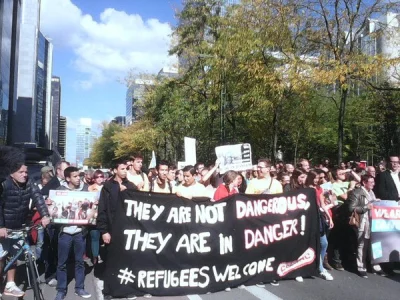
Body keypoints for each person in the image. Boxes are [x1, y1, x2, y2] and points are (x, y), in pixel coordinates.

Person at [0, 148, 51, 298]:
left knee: (14, 257)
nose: (25, 175)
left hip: (19, 226)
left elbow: (38, 198)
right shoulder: (4, 184)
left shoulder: (30, 183)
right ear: (11, 173)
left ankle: (10, 284)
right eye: (21, 172)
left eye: (26, 172)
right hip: (3, 228)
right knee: (1, 258)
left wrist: (45, 215)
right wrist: (1, 226)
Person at [96, 159, 137, 300]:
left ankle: (125, 289)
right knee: (111, 261)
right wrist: (104, 231)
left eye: (126, 168)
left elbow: (137, 207)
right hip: (112, 230)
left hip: (127, 230)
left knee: (126, 260)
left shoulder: (131, 186)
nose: (125, 171)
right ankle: (108, 290)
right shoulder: (107, 187)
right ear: (115, 170)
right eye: (122, 168)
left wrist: (128, 193)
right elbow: (102, 210)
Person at [54, 167, 91, 300]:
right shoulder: (59, 191)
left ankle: (79, 288)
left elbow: (90, 208)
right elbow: (53, 209)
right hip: (64, 232)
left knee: (80, 261)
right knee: (61, 263)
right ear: (68, 178)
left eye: (78, 176)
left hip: (80, 233)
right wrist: (50, 205)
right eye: (75, 176)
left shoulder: (85, 189)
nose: (78, 179)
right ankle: (61, 290)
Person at [348, 175, 386, 278]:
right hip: (363, 222)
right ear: (364, 182)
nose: (373, 184)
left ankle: (376, 266)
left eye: (373, 182)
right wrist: (365, 207)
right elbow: (351, 208)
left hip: (374, 222)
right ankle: (361, 267)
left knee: (375, 244)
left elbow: (372, 204)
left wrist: (376, 202)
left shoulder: (371, 192)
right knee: (362, 245)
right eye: (371, 182)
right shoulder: (357, 193)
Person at [305, 171, 334, 281]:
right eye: (315, 178)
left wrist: (329, 218)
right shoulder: (306, 188)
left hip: (318, 217)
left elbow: (322, 204)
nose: (317, 180)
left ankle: (318, 264)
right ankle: (321, 269)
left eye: (318, 178)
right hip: (308, 218)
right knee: (313, 243)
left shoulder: (319, 189)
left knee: (324, 243)